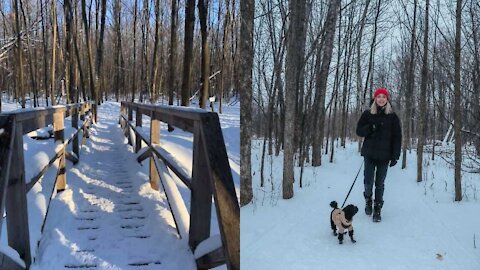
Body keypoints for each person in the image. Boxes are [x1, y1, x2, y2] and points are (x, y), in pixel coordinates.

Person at [356, 87, 402, 222]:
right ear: (375, 99)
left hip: (384, 155)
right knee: (368, 182)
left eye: (384, 97)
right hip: (369, 154)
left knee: (380, 183)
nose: (381, 99)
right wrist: (370, 128)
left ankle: (377, 208)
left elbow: (397, 137)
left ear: (387, 100)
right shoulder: (367, 114)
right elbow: (359, 131)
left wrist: (395, 156)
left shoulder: (392, 117)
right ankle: (368, 199)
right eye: (379, 97)